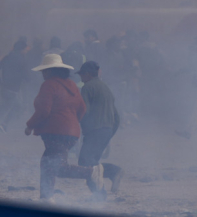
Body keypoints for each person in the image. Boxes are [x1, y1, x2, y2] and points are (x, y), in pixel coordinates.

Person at [24, 54, 104, 201]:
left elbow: (43, 110)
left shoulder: (48, 84)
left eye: (44, 71)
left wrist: (30, 126)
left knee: (57, 167)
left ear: (49, 71)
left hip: (56, 132)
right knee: (47, 164)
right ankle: (46, 198)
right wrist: (72, 122)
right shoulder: (71, 85)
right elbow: (82, 108)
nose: (43, 74)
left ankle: (91, 172)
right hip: (70, 132)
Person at [77, 61, 124, 194]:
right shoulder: (106, 88)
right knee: (93, 161)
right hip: (106, 130)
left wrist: (79, 127)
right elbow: (116, 117)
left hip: (94, 131)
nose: (80, 77)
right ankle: (98, 194)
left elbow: (84, 111)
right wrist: (109, 133)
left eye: (81, 74)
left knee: (86, 162)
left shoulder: (87, 87)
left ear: (87, 74)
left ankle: (113, 172)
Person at [0, 38, 31, 132]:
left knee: (5, 106)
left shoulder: (7, 57)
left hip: (4, 87)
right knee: (17, 107)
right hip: (13, 89)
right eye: (25, 49)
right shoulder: (22, 60)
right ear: (21, 49)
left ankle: (3, 124)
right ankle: (3, 124)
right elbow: (27, 76)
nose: (26, 50)